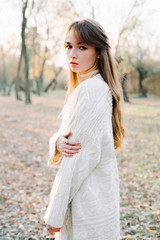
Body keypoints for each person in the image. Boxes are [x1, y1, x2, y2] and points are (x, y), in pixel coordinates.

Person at [43, 18, 125, 240]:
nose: (72, 54)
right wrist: (58, 141)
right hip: (99, 198)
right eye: (69, 46)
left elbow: (79, 159)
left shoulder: (91, 91)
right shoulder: (93, 86)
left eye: (82, 47)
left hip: (88, 205)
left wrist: (55, 212)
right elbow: (75, 141)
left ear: (98, 52)